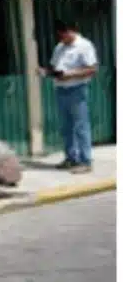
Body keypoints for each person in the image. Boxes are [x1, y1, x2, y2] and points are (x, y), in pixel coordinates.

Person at [44, 20, 99, 174]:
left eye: (63, 35)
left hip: (77, 89)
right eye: (59, 36)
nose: (61, 39)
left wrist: (69, 75)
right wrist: (48, 72)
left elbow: (92, 69)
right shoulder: (60, 47)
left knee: (81, 125)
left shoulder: (84, 46)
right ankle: (71, 158)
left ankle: (85, 161)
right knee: (66, 126)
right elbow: (54, 66)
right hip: (61, 89)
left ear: (71, 31)